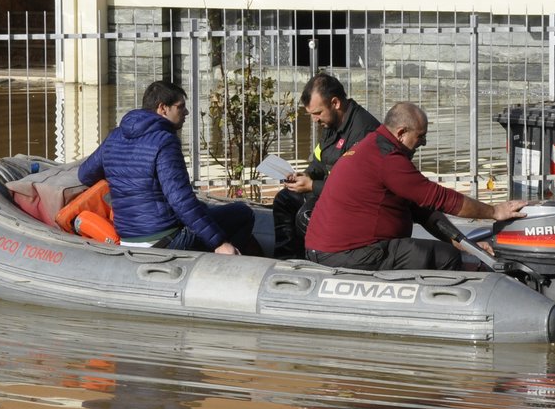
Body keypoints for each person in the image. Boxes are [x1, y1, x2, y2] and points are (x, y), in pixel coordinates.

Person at [304, 101, 527, 271]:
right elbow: (440, 198)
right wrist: (494, 212)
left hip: (333, 249)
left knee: (446, 250)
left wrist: (464, 243)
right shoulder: (387, 160)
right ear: (401, 133)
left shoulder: (373, 146)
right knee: (444, 257)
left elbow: (423, 210)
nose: (424, 143)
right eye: (420, 136)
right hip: (346, 253)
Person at [78, 80, 260, 255]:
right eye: (180, 107)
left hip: (128, 237)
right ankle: (226, 268)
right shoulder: (165, 142)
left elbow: (85, 174)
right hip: (164, 239)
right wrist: (219, 243)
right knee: (242, 213)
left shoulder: (114, 137)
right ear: (162, 108)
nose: (187, 112)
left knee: (204, 210)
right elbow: (180, 200)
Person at [271, 73, 380, 259]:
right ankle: (287, 261)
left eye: (317, 113)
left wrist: (312, 186)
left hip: (356, 203)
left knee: (307, 216)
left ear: (335, 103)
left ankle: (318, 261)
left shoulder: (364, 132)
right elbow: (320, 161)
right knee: (285, 199)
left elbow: (354, 187)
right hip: (331, 191)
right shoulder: (332, 124)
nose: (314, 120)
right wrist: (303, 176)